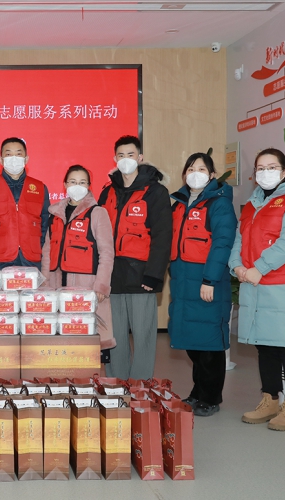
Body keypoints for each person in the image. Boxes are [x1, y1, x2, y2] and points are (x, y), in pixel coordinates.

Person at [230, 148, 285, 431]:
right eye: (260, 168)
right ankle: (269, 399)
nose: (265, 172)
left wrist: (260, 267)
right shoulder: (251, 205)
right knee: (264, 345)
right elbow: (239, 241)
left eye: (271, 167)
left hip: (284, 284)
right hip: (255, 284)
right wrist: (236, 266)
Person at [167, 153, 237, 417]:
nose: (195, 173)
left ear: (212, 175)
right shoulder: (178, 205)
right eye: (190, 169)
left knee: (209, 343)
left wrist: (210, 280)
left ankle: (211, 397)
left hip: (207, 280)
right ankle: (198, 391)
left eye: (201, 169)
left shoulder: (219, 204)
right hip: (183, 280)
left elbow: (222, 243)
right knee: (192, 341)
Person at [98, 135, 172, 380]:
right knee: (115, 335)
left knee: (143, 335)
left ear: (140, 158)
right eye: (121, 155)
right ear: (114, 159)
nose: (126, 159)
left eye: (130, 155)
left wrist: (154, 275)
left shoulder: (156, 192)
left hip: (142, 275)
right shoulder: (107, 192)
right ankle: (117, 384)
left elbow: (163, 236)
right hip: (112, 276)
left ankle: (141, 387)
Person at [41, 165, 116, 369]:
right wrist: (44, 284)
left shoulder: (98, 213)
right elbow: (47, 252)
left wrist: (101, 286)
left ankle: (89, 384)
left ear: (89, 186)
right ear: (65, 184)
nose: (77, 186)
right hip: (57, 284)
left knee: (88, 344)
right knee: (62, 342)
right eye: (73, 182)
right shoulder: (54, 214)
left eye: (82, 182)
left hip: (87, 286)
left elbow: (107, 253)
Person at [0, 137, 50, 268]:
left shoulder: (40, 188)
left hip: (31, 261)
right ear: (1, 160)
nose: (14, 158)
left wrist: (43, 260)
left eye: (18, 154)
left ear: (26, 159)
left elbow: (46, 228)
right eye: (8, 154)